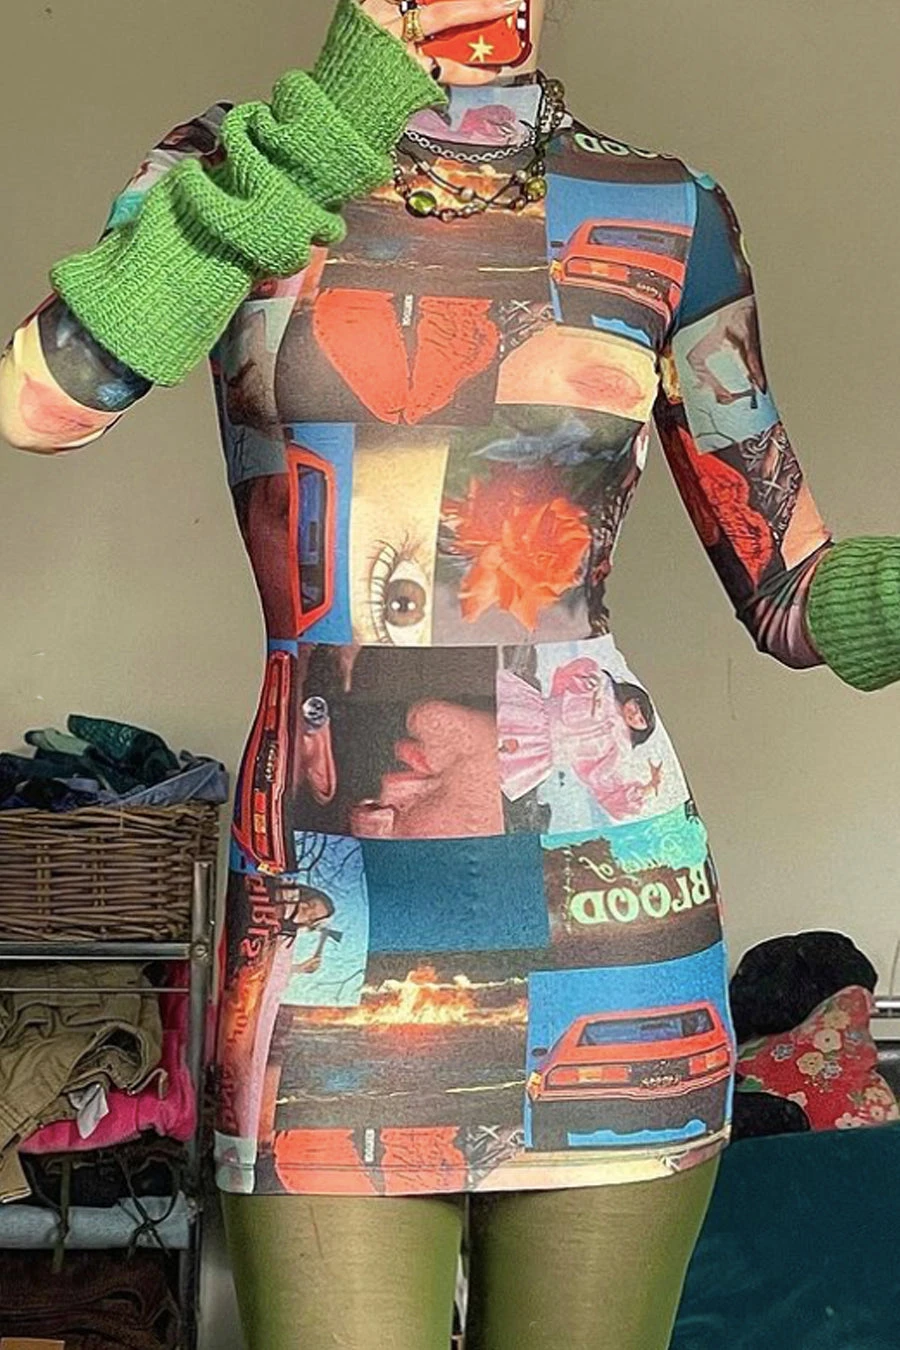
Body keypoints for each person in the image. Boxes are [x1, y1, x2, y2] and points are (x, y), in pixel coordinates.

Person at [1, 0, 898, 1347]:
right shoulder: (239, 169)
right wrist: (337, 114)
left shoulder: (666, 212)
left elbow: (790, 584)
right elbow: (41, 402)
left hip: (610, 931)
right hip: (321, 941)